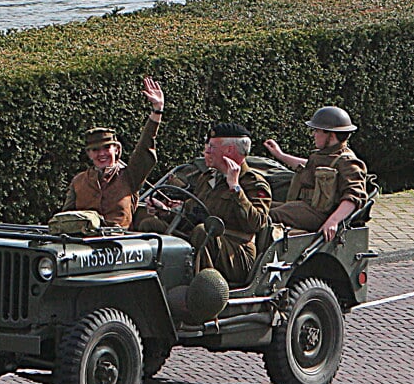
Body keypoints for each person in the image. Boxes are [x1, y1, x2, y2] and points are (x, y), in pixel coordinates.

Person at [137, 122, 274, 284]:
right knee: (150, 226)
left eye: (212, 147)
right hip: (202, 240)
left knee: (203, 231)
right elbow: (192, 213)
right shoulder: (208, 178)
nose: (207, 151)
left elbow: (256, 224)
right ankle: (153, 285)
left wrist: (235, 188)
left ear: (229, 150)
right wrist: (166, 211)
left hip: (237, 253)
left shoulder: (253, 183)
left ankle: (204, 290)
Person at [61, 76, 165, 229]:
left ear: (116, 150)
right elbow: (66, 218)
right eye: (95, 150)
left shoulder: (129, 177)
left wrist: (157, 111)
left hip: (121, 243)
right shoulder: (79, 181)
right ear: (89, 154)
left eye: (106, 148)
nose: (101, 154)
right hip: (86, 244)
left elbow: (144, 150)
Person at [259, 107, 371, 243]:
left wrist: (333, 221)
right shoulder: (324, 155)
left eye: (317, 131)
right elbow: (307, 166)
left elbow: (354, 197)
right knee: (260, 205)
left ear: (331, 135)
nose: (314, 134)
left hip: (321, 215)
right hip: (306, 207)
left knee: (268, 214)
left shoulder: (347, 162)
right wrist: (280, 155)